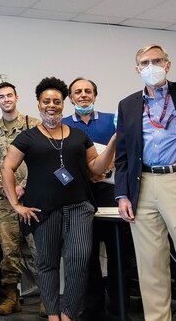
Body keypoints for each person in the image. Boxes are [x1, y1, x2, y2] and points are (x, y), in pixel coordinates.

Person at [0, 77, 116, 321]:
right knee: (47, 264)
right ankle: (53, 314)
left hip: (79, 208)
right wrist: (15, 204)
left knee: (79, 260)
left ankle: (69, 314)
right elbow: (7, 167)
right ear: (39, 104)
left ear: (63, 103)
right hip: (43, 209)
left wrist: (114, 143)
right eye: (45, 101)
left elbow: (95, 168)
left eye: (56, 101)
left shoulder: (78, 135)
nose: (50, 105)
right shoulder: (27, 137)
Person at [115, 44, 176, 321]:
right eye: (144, 62)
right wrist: (122, 194)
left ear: (168, 64)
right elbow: (122, 155)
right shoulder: (128, 104)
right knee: (150, 265)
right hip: (142, 185)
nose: (151, 66)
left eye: (156, 60)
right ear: (137, 69)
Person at [63, 78, 130, 320]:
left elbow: (123, 149)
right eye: (77, 92)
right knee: (86, 253)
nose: (83, 95)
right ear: (70, 98)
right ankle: (92, 307)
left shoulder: (112, 120)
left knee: (118, 253)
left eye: (88, 91)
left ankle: (119, 307)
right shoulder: (63, 124)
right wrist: (87, 173)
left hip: (111, 192)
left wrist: (104, 168)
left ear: (95, 95)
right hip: (81, 195)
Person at [0, 82, 41, 316]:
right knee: (9, 251)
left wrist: (24, 186)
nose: (6, 99)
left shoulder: (34, 125)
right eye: (1, 96)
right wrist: (11, 190)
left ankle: (47, 297)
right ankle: (12, 296)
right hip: (5, 204)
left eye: (9, 95)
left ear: (16, 97)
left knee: (39, 249)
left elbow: (43, 159)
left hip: (34, 198)